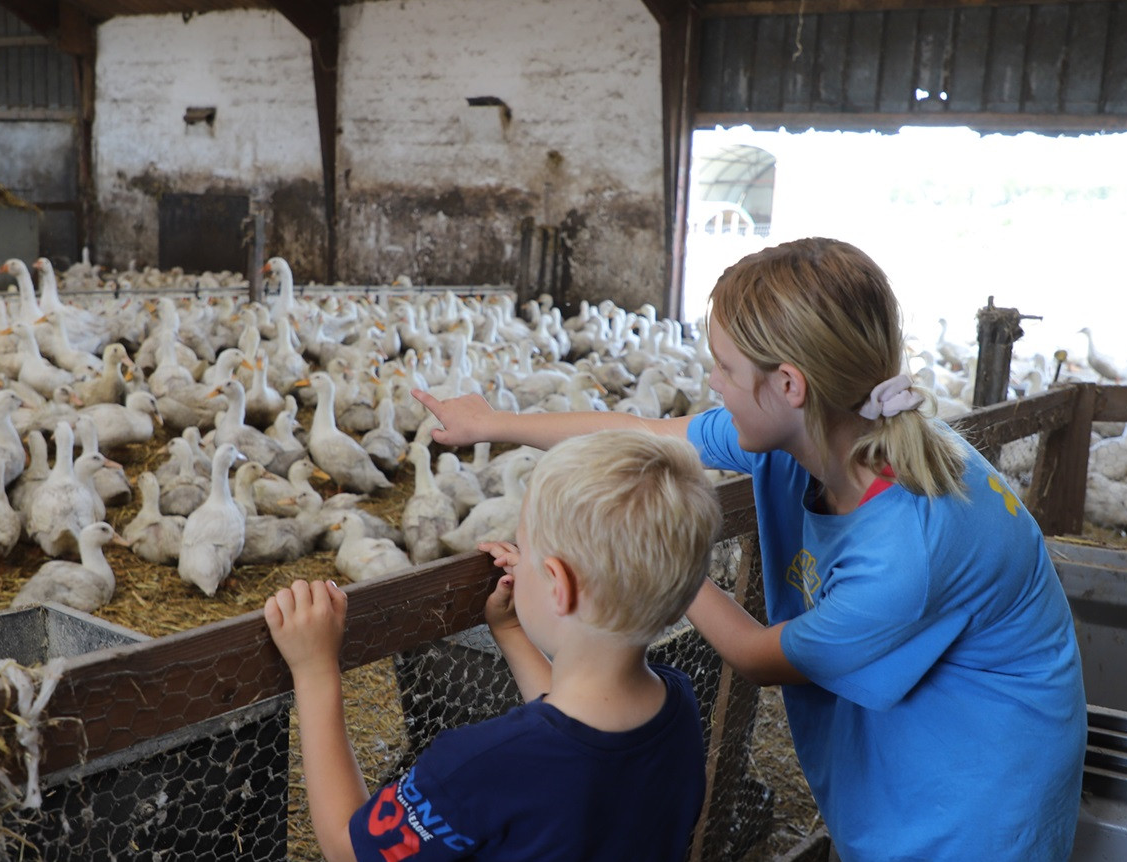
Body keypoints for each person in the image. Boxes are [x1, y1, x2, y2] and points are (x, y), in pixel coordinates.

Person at [412, 237, 1087, 862]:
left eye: (725, 366)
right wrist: (495, 423)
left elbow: (759, 657)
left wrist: (650, 563)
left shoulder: (907, 550)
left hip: (977, 810)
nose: (712, 381)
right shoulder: (825, 433)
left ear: (789, 385)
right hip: (917, 761)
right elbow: (650, 430)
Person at [264, 429, 721, 861]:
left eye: (526, 549)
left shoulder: (477, 765)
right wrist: (513, 630)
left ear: (558, 585)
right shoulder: (677, 706)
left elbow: (349, 848)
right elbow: (577, 741)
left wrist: (314, 669)